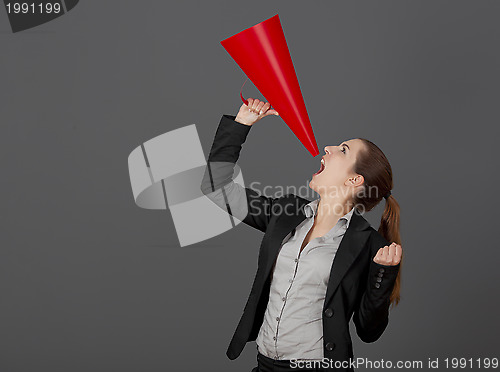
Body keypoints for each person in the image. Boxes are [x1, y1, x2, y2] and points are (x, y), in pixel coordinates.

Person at [200, 98, 403, 372]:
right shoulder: (285, 212)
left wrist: (383, 275)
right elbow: (217, 187)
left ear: (354, 181)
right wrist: (241, 125)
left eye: (342, 150)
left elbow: (369, 331)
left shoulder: (369, 245)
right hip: (264, 364)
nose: (328, 148)